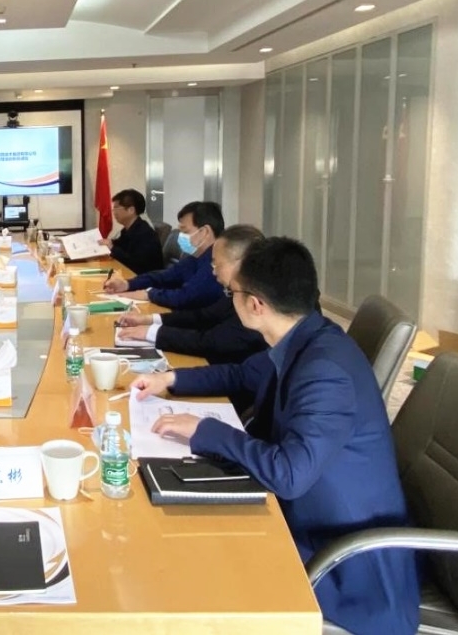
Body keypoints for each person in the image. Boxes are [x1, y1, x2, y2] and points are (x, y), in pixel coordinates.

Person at [131, 237, 420, 635]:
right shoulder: (304, 336)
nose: (228, 298)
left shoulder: (326, 371)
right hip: (303, 519)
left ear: (255, 305)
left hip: (342, 566)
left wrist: (204, 430)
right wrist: (170, 379)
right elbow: (241, 374)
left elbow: (290, 474)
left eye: (231, 293)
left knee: (188, 566)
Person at [116, 224, 267, 365]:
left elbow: (211, 341)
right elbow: (203, 316)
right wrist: (149, 319)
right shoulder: (233, 292)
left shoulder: (257, 304)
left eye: (217, 264)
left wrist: (153, 333)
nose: (214, 271)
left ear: (241, 264)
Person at [103, 201, 225, 310]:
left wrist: (149, 294)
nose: (180, 236)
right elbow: (164, 276)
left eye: (185, 231)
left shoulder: (216, 263)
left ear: (205, 232)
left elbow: (186, 296)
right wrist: (128, 284)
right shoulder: (195, 257)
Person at [97, 188, 164, 274]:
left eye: (116, 208)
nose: (114, 212)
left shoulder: (145, 233)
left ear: (131, 210)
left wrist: (112, 248)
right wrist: (110, 243)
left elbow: (135, 263)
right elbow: (121, 244)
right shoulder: (129, 229)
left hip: (144, 278)